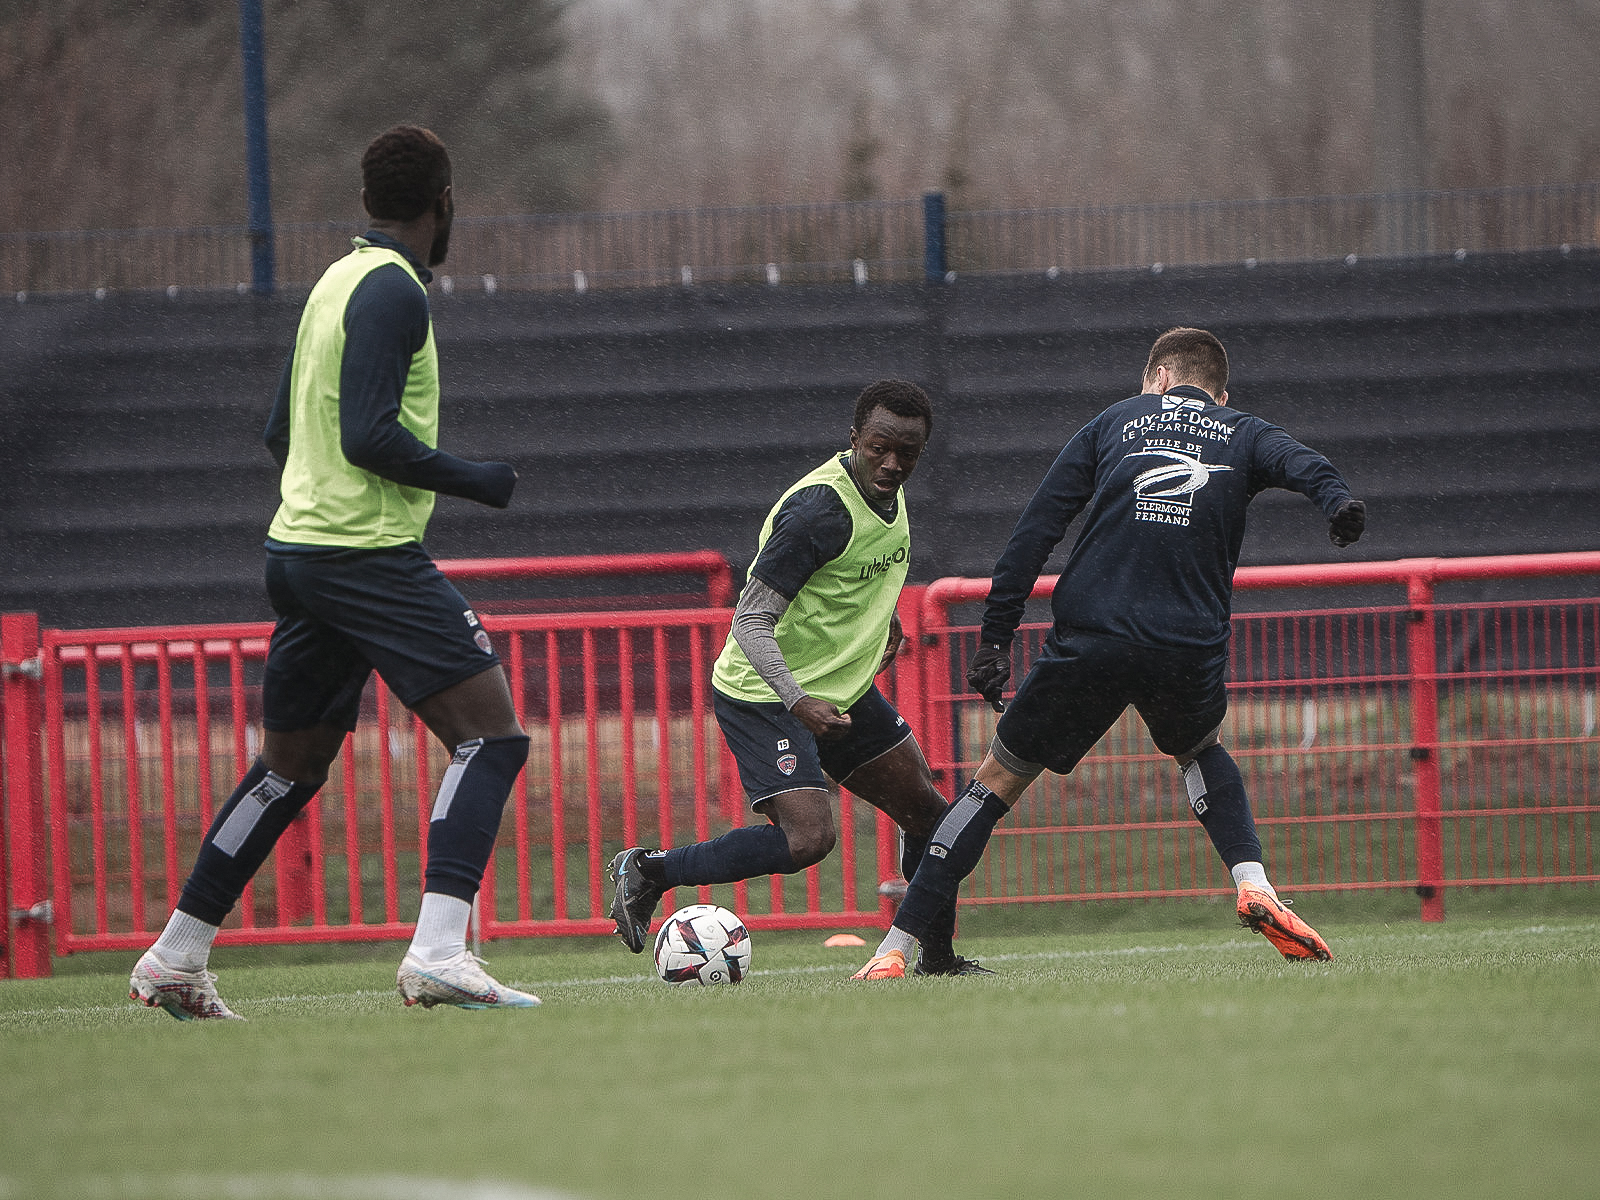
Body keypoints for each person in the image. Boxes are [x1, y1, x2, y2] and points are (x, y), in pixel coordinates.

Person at [129, 125, 540, 1018]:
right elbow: (369, 436)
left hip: (302, 551)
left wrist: (319, 510)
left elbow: (281, 429)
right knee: (493, 738)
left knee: (288, 768)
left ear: (366, 202)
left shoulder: (334, 282)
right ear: (445, 203)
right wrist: (479, 479)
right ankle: (437, 951)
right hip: (363, 556)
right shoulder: (396, 291)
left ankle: (174, 956)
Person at [853, 327, 1367, 979]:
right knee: (1199, 751)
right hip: (1184, 643)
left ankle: (895, 949)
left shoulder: (1117, 421)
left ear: (1155, 378)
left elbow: (1036, 530)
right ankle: (1254, 884)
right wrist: (1338, 503)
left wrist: (994, 640)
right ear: (1220, 392)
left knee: (997, 782)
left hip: (1092, 637)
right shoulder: (1243, 430)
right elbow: (1308, 466)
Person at [607, 380, 991, 976]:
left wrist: (880, 621)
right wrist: (798, 699)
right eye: (880, 448)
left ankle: (935, 963)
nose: (892, 463)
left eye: (908, 453)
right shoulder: (818, 511)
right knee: (807, 841)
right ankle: (649, 870)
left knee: (930, 818)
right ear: (855, 438)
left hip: (839, 692)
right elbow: (752, 619)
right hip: (764, 694)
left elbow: (851, 574)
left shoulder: (889, 491)